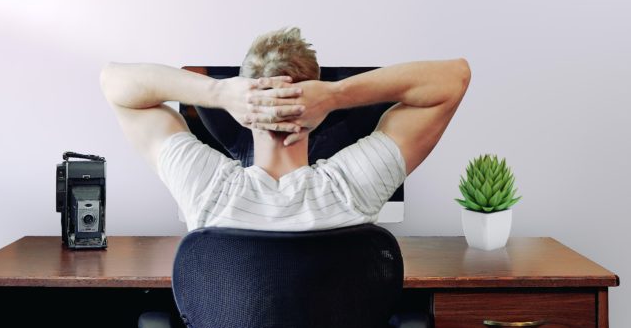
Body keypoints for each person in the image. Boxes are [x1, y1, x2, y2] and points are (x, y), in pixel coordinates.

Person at [100, 27, 471, 232]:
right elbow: (454, 78)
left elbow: (114, 82)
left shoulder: (206, 190)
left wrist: (219, 91)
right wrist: (336, 94)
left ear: (245, 110)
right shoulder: (352, 188)